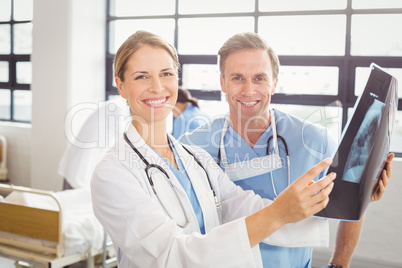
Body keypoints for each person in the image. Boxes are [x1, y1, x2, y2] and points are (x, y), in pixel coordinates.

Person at [90, 30, 337, 267]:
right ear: (121, 85)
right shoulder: (113, 174)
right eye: (142, 76)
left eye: (166, 74)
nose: (157, 87)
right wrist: (278, 214)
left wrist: (345, 201)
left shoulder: (196, 157)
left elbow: (246, 208)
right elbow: (170, 256)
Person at [180, 32, 393, 268]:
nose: (249, 90)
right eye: (238, 78)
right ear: (222, 82)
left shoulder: (314, 140)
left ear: (274, 83)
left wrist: (339, 263)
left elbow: (351, 203)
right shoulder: (192, 146)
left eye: (259, 78)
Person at [59, 97, 130, 189]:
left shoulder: (117, 106)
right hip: (82, 170)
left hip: (79, 167)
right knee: (73, 200)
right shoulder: (117, 110)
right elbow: (127, 144)